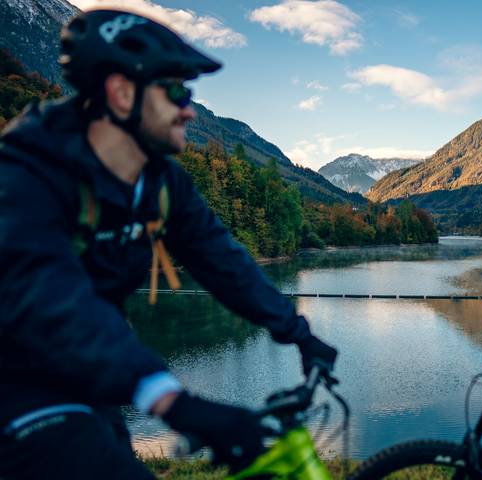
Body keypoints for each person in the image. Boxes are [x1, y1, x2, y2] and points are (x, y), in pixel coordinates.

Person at [0, 9, 337, 479]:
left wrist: (296, 332)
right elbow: (53, 300)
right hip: (18, 379)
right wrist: (173, 401)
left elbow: (222, 260)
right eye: (176, 91)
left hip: (91, 372)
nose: (189, 109)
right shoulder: (28, 174)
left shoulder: (158, 180)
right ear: (121, 93)